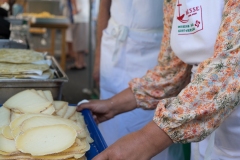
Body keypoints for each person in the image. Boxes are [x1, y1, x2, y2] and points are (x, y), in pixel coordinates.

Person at [78, 0, 240, 159]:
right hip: (203, 128)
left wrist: (147, 140)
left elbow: (231, 68)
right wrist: (112, 105)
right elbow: (172, 71)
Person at [89, 0, 184, 159]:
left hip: (155, 48)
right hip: (115, 44)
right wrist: (112, 105)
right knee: (109, 131)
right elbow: (104, 5)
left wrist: (147, 141)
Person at [61, 0, 89, 70]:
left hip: (78, 16)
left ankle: (79, 63)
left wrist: (75, 9)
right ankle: (81, 62)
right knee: (81, 41)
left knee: (78, 40)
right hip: (84, 15)